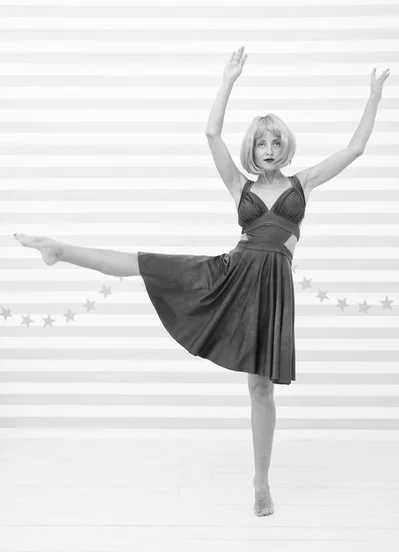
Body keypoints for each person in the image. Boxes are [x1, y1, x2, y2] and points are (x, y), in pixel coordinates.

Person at [14, 47, 390, 517]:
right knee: (147, 263)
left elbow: (354, 149)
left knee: (261, 388)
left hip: (272, 288)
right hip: (231, 275)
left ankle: (261, 481)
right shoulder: (242, 186)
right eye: (261, 143)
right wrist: (228, 80)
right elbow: (211, 132)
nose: (269, 150)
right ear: (251, 148)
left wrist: (373, 96)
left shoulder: (302, 184)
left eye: (275, 143)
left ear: (285, 146)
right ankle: (60, 249)